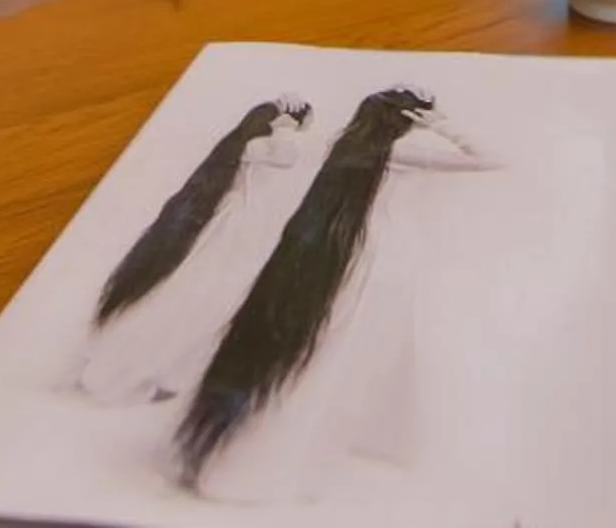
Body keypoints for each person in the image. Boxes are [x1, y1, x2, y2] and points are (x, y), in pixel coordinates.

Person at [175, 86, 499, 502]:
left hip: (348, 259)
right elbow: (490, 159)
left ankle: (235, 451)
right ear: (409, 118)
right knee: (326, 361)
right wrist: (442, 125)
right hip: (376, 265)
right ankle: (257, 461)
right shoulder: (402, 152)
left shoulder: (349, 144)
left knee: (309, 356)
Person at [78, 98, 313, 406]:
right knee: (193, 296)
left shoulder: (254, 145)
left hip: (247, 228)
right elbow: (286, 158)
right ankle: (130, 368)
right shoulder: (262, 144)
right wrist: (285, 127)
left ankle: (160, 371)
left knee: (204, 301)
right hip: (235, 229)